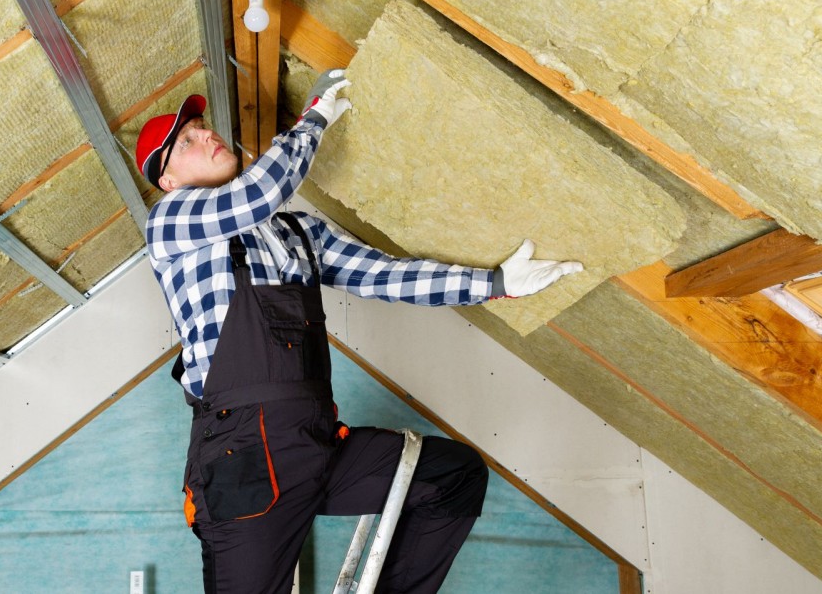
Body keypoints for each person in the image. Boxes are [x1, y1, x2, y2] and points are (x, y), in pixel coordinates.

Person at [135, 70, 583, 593]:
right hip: (245, 461)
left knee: (453, 477)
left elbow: (388, 275)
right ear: (168, 181)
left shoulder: (298, 232)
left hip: (316, 444)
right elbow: (256, 195)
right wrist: (312, 123)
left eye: (202, 128)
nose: (208, 136)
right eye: (186, 142)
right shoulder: (170, 221)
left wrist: (495, 282)